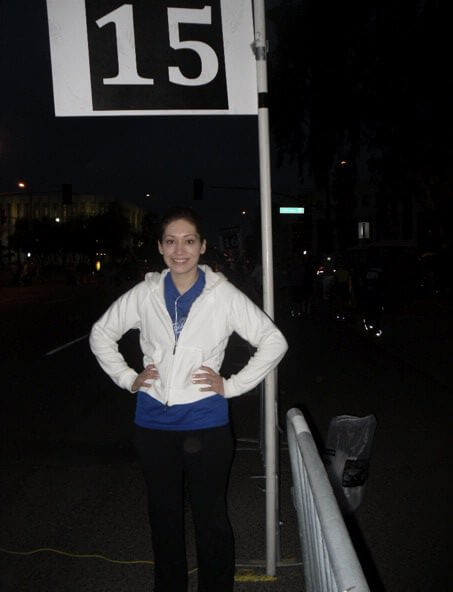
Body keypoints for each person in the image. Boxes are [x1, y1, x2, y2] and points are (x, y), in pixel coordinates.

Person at [89, 206, 288, 592]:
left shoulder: (222, 295)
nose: (180, 250)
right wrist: (129, 378)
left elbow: (273, 341)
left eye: (189, 241)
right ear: (161, 248)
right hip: (152, 426)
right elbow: (101, 334)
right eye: (171, 241)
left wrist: (230, 386)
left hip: (206, 425)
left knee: (211, 519)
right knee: (163, 519)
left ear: (202, 246)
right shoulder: (145, 294)